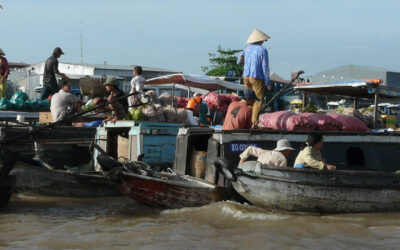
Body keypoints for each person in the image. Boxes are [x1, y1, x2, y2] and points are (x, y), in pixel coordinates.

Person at [239, 29, 271, 128]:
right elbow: (265, 67)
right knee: (258, 100)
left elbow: (238, 61)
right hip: (257, 77)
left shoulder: (246, 49)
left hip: (246, 76)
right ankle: (254, 123)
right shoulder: (262, 50)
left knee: (248, 99)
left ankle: (246, 120)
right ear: (260, 40)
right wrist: (267, 82)